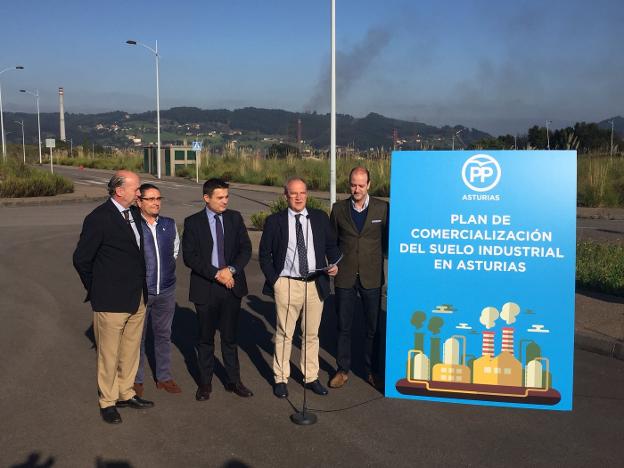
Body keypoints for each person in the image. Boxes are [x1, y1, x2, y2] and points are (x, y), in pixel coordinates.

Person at [73, 170, 154, 425]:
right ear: (119, 191)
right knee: (109, 354)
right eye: (136, 188)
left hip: (137, 298)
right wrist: (97, 289)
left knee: (130, 351)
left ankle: (125, 392)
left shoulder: (134, 215)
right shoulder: (99, 218)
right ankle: (107, 401)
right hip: (110, 300)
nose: (139, 193)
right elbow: (81, 259)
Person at [259, 177, 341, 399]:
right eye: (293, 193)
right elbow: (264, 254)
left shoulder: (319, 218)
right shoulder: (275, 221)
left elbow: (332, 247)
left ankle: (310, 377)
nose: (298, 197)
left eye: (302, 193)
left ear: (307, 194)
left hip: (315, 284)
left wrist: (334, 264)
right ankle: (281, 378)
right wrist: (276, 281)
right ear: (286, 195)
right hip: (287, 284)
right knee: (284, 334)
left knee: (311, 334)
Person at [182, 178, 253, 401]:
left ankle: (234, 381)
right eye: (220, 197)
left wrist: (230, 270)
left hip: (231, 286)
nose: (225, 201)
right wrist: (217, 273)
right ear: (207, 198)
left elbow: (246, 248)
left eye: (227, 197)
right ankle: (205, 383)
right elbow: (190, 257)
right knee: (205, 339)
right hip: (206, 287)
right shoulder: (193, 222)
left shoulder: (234, 218)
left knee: (230, 338)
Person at [329, 166, 388, 390]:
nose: (357, 189)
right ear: (349, 184)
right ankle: (342, 370)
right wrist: (332, 262)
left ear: (369, 185)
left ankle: (373, 371)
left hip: (371, 277)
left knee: (373, 327)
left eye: (361, 185)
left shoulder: (383, 209)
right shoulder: (338, 208)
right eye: (353, 184)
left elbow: (387, 242)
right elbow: (332, 241)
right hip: (345, 276)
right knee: (343, 326)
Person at [133, 183, 182, 398]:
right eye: (150, 199)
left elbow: (174, 252)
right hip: (141, 291)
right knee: (137, 338)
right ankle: (136, 380)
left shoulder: (169, 225)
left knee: (163, 335)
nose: (155, 203)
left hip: (166, 290)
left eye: (158, 198)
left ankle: (163, 377)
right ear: (139, 202)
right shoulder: (133, 225)